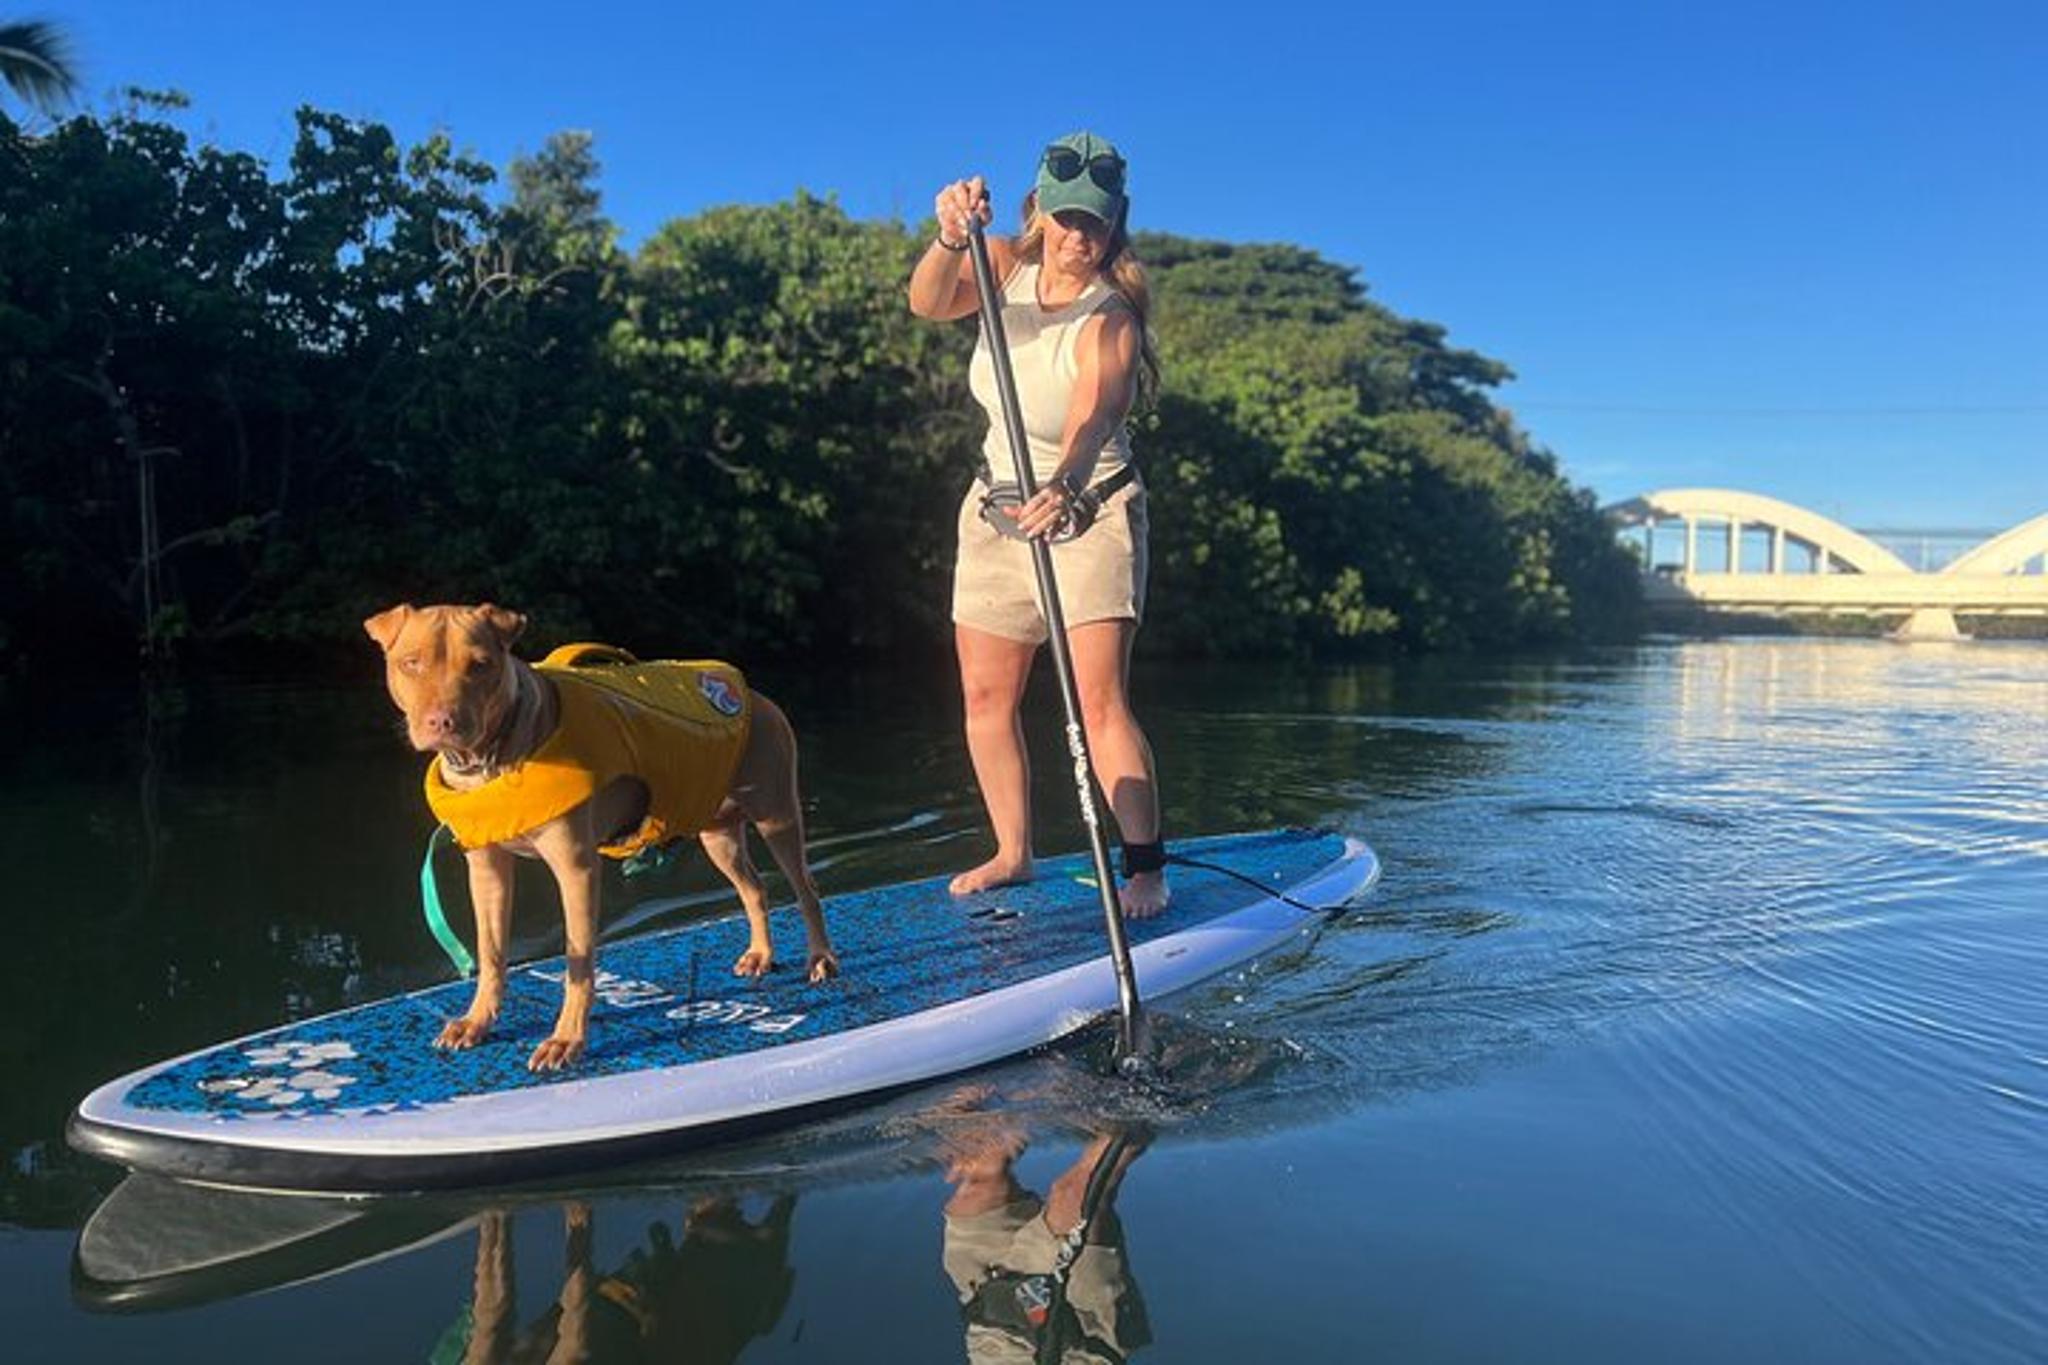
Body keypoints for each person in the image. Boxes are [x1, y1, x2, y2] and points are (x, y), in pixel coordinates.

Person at [907, 131, 1170, 917]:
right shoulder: (998, 264)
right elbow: (926, 302)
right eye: (1065, 218)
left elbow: (1098, 413)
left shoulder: (1111, 314)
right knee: (985, 697)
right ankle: (1012, 853)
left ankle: (1147, 868)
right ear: (1038, 210)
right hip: (994, 511)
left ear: (1115, 223)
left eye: (1095, 222)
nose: (1078, 237)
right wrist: (950, 237)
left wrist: (1065, 482)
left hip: (1089, 508)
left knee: (1098, 704)